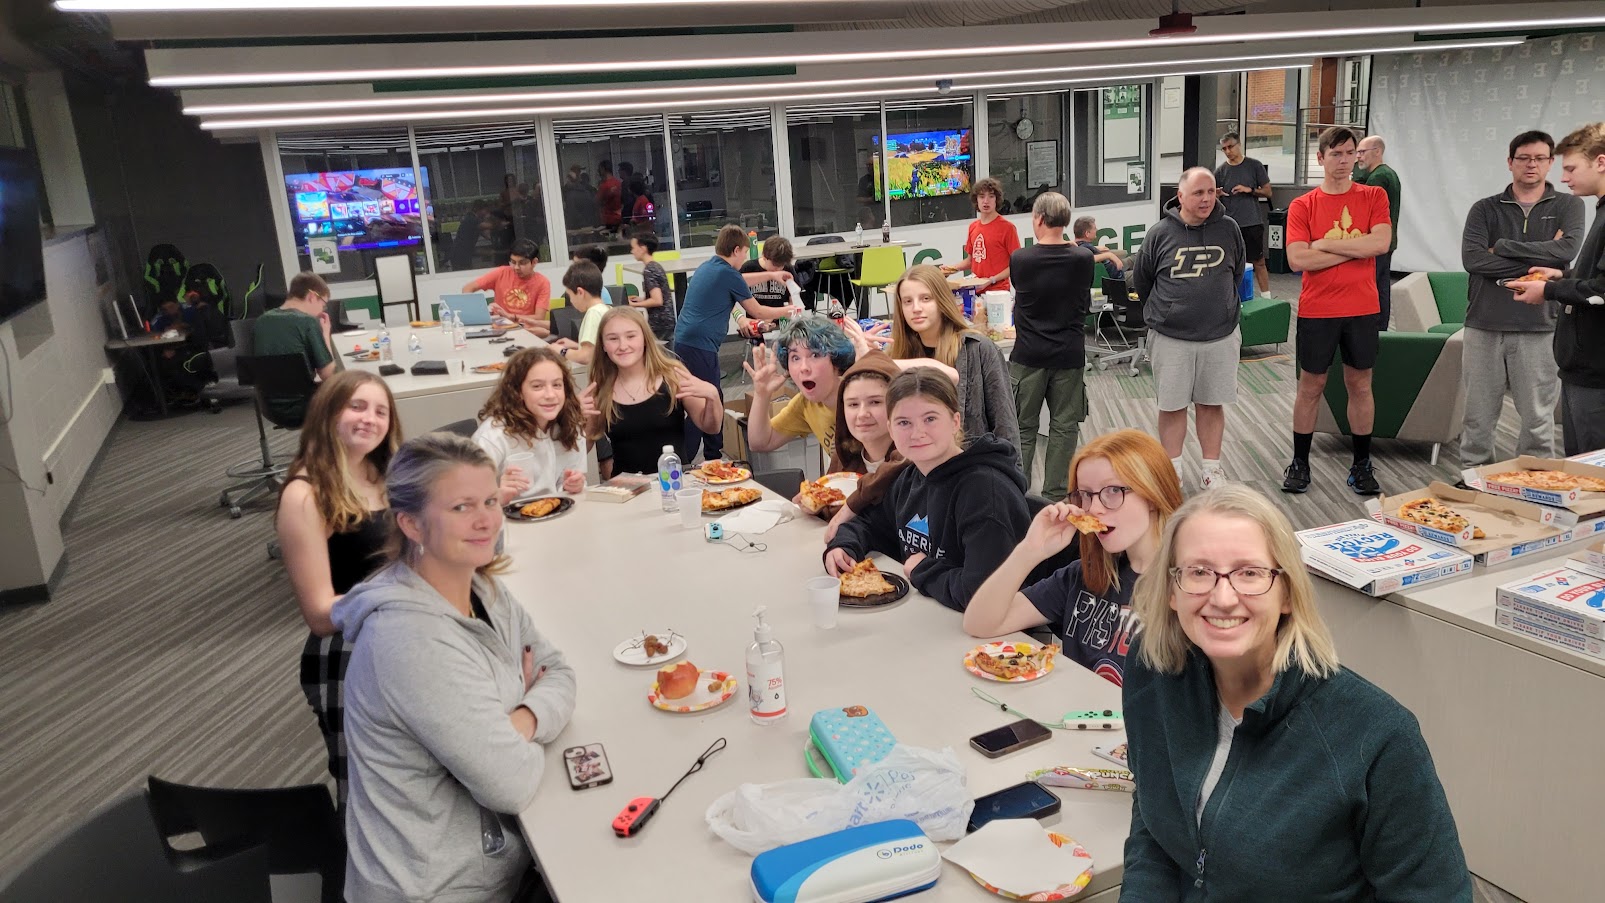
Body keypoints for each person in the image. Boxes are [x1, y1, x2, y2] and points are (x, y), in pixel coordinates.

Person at [1119, 485, 1471, 900]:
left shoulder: (1377, 736)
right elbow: (1154, 812)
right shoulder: (1153, 668)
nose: (1223, 597)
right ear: (1172, 590)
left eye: (1249, 573)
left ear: (1286, 592)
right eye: (1199, 572)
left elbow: (1435, 894)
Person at [334, 433, 577, 903]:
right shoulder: (407, 640)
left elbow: (560, 672)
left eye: (489, 500)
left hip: (497, 865)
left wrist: (516, 720)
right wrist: (521, 711)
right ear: (412, 524)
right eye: (461, 507)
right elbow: (510, 783)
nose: (486, 519)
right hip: (438, 890)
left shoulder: (483, 590)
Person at [275, 370, 402, 812]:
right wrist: (398, 594)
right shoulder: (305, 494)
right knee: (369, 787)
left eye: (380, 411)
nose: (370, 419)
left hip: (403, 636)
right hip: (349, 654)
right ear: (329, 412)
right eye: (357, 406)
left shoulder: (386, 471)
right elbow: (320, 613)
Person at [965, 430, 1182, 687]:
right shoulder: (1084, 576)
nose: (1094, 508)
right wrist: (1030, 550)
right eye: (1085, 494)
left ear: (1152, 495)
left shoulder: (1189, 587)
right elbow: (981, 623)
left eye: (1113, 491)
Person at [824, 368, 1043, 612]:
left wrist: (923, 571)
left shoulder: (985, 493)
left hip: (986, 636)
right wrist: (844, 545)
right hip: (930, 616)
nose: (917, 433)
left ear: (955, 421)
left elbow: (984, 596)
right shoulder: (910, 477)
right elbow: (871, 524)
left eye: (930, 419)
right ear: (890, 428)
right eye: (904, 422)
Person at [1459, 130, 1586, 468]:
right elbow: (1473, 260)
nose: (1532, 165)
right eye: (1524, 158)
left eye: (1540, 158)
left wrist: (1500, 246)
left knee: (1537, 420)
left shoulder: (1569, 205)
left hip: (1540, 326)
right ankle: (1474, 478)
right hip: (1483, 324)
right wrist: (1543, 258)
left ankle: (1533, 482)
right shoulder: (1484, 209)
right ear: (1510, 162)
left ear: (1550, 163)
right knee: (1477, 416)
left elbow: (1567, 251)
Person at [1282, 126, 1392, 496]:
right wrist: (1356, 246)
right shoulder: (1303, 205)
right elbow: (1297, 259)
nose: (1344, 161)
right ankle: (1300, 463)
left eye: (1350, 153)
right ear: (1321, 158)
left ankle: (1361, 465)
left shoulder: (1374, 195)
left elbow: (1381, 243)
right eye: (1336, 154)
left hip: (1362, 307)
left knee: (1360, 385)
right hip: (1318, 309)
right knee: (1310, 386)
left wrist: (1327, 243)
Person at [1134, 168, 1246, 491]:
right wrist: (1170, 311)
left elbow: (1236, 274)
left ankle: (1211, 469)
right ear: (1180, 196)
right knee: (1172, 405)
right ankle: (1173, 470)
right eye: (1198, 193)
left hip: (1220, 336)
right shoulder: (1160, 233)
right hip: (1171, 338)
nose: (1207, 199)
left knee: (1212, 403)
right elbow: (1143, 280)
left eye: (1211, 191)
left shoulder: (1230, 229)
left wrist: (1220, 307)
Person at [1512, 121, 1605, 457]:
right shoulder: (1601, 209)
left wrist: (1549, 292)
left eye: (1570, 168)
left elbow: (1601, 291)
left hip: (1596, 371)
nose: (1564, 178)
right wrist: (1560, 278)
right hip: (1581, 366)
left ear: (1601, 162)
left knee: (1593, 474)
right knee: (1579, 468)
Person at [672, 224, 797, 460]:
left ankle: (698, 453)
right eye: (745, 253)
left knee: (698, 396)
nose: (746, 258)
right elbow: (757, 311)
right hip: (699, 345)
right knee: (709, 399)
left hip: (685, 341)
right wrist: (788, 311)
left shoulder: (709, 266)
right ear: (737, 250)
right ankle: (708, 456)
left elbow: (741, 279)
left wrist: (771, 275)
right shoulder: (727, 274)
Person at [888, 264, 1020, 464]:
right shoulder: (896, 356)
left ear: (942, 300)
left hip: (973, 470)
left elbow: (1006, 426)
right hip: (916, 474)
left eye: (926, 299)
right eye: (907, 301)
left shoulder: (978, 349)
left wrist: (1013, 484)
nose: (916, 308)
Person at [1008, 192, 1091, 501]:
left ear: (1039, 219)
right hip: (1069, 356)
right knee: (1064, 427)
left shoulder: (1021, 259)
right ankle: (1055, 496)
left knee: (1023, 428)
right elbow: (1074, 253)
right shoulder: (1082, 258)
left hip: (1028, 356)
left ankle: (1018, 494)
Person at [584, 307, 724, 474]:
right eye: (613, 339)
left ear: (645, 338)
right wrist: (578, 419)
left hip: (675, 484)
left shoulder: (673, 376)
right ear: (603, 346)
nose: (623, 345)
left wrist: (712, 396)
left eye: (631, 336)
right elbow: (584, 445)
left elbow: (711, 427)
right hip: (628, 493)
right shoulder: (599, 389)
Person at [474, 346, 588, 505]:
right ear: (518, 391)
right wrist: (498, 496)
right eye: (537, 386)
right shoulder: (493, 436)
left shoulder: (571, 425)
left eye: (557, 385)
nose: (550, 395)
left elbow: (569, 485)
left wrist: (573, 485)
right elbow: (467, 501)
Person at [819, 350, 906, 540]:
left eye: (875, 402)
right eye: (852, 404)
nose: (862, 414)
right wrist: (815, 506)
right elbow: (831, 517)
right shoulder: (843, 459)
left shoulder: (915, 462)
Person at [742, 316, 857, 458]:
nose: (804, 368)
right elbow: (759, 443)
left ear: (836, 361)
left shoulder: (862, 397)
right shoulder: (805, 405)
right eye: (795, 358)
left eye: (815, 355)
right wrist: (762, 395)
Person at [254, 271, 338, 424]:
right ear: (312, 296)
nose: (322, 311)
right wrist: (325, 334)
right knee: (352, 391)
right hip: (306, 405)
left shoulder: (261, 321)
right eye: (323, 304)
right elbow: (329, 375)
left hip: (267, 406)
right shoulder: (307, 322)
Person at [1214, 131, 1272, 298]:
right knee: (1230, 264)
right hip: (1230, 225)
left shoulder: (1254, 166)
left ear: (1238, 145)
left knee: (1258, 262)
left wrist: (1250, 190)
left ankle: (1266, 298)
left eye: (1230, 147)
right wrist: (1216, 194)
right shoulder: (1220, 171)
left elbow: (1268, 192)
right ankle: (1232, 298)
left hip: (1251, 222)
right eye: (1224, 148)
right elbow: (1212, 196)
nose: (1227, 151)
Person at [1354, 135, 1403, 329]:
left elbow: (1365, 208)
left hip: (1377, 242)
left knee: (1371, 287)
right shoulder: (1388, 173)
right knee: (1382, 286)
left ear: (1378, 152)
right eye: (1356, 152)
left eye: (1362, 152)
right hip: (1387, 241)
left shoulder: (1378, 177)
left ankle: (1372, 328)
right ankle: (1381, 328)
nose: (1358, 157)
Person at [942, 177, 1020, 292]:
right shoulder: (973, 227)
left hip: (998, 291)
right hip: (976, 291)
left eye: (991, 196)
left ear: (996, 200)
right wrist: (950, 269)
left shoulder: (1007, 228)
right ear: (976, 200)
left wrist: (991, 280)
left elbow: (1016, 265)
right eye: (982, 196)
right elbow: (970, 261)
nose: (986, 201)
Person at [462, 238, 552, 336]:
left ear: (534, 262)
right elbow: (467, 288)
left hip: (525, 327)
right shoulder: (501, 272)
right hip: (499, 326)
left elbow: (539, 317)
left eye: (522, 263)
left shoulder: (542, 282)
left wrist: (511, 316)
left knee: (543, 333)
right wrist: (480, 312)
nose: (516, 267)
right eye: (513, 262)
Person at [734, 236, 798, 338]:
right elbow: (730, 295)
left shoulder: (788, 270)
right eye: (774, 265)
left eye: (781, 266)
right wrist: (740, 319)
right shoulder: (748, 268)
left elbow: (794, 300)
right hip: (755, 325)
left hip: (779, 324)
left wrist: (785, 318)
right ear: (764, 256)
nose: (777, 269)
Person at [550, 261, 607, 367]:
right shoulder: (605, 309)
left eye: (570, 295)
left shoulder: (593, 313)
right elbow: (598, 351)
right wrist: (576, 346)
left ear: (580, 292)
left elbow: (585, 357)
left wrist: (562, 351)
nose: (571, 301)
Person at [627, 228, 675, 344]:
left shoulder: (649, 270)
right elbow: (661, 295)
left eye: (634, 248)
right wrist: (642, 299)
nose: (632, 251)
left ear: (643, 248)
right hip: (667, 320)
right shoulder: (656, 266)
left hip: (659, 322)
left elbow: (657, 300)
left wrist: (635, 304)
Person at [1072, 216, 1127, 280]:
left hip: (1116, 269)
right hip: (1117, 279)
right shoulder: (1084, 252)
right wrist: (1109, 255)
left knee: (1132, 258)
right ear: (1087, 233)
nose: (1097, 230)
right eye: (1094, 228)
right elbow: (1087, 258)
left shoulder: (1076, 247)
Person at [596, 159, 623, 232]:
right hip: (619, 218)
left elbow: (597, 201)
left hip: (609, 219)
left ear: (603, 169)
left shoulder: (604, 186)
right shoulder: (618, 183)